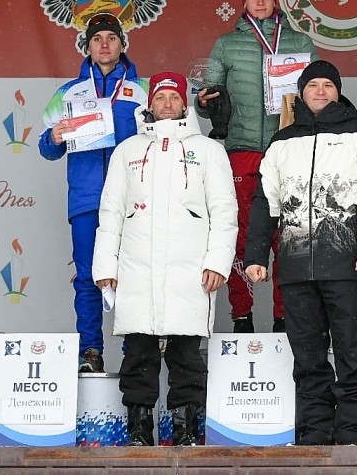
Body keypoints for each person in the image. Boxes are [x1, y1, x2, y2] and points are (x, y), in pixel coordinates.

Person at [244, 60, 357, 446]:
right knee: (308, 360)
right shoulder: (281, 142)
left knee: (352, 355)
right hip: (295, 269)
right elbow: (265, 202)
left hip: (348, 265)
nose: (320, 91)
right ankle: (313, 437)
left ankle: (355, 438)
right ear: (300, 92)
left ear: (338, 91)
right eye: (312, 85)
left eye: (328, 84)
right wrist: (256, 256)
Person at [92, 72, 238, 446]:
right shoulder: (128, 150)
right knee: (138, 357)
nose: (168, 103)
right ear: (151, 105)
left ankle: (186, 433)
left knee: (186, 357)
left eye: (174, 96)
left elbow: (224, 211)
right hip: (136, 269)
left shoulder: (208, 150)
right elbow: (110, 213)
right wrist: (106, 268)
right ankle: (139, 435)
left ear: (184, 104)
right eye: (161, 97)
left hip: (190, 272)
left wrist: (218, 262)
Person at [194, 0, 318, 334]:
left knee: (289, 237)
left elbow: (319, 93)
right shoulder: (226, 44)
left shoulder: (298, 41)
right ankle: (242, 316)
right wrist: (202, 100)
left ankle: (284, 318)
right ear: (243, 1)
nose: (260, 1)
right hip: (243, 149)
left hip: (289, 150)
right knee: (241, 236)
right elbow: (207, 98)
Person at [38, 13, 148, 373]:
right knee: (87, 278)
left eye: (111, 38)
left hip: (133, 200)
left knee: (132, 275)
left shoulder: (142, 90)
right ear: (87, 46)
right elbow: (48, 148)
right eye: (97, 38)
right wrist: (53, 138)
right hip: (86, 199)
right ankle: (91, 352)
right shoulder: (68, 92)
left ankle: (135, 351)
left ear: (122, 45)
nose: (104, 44)